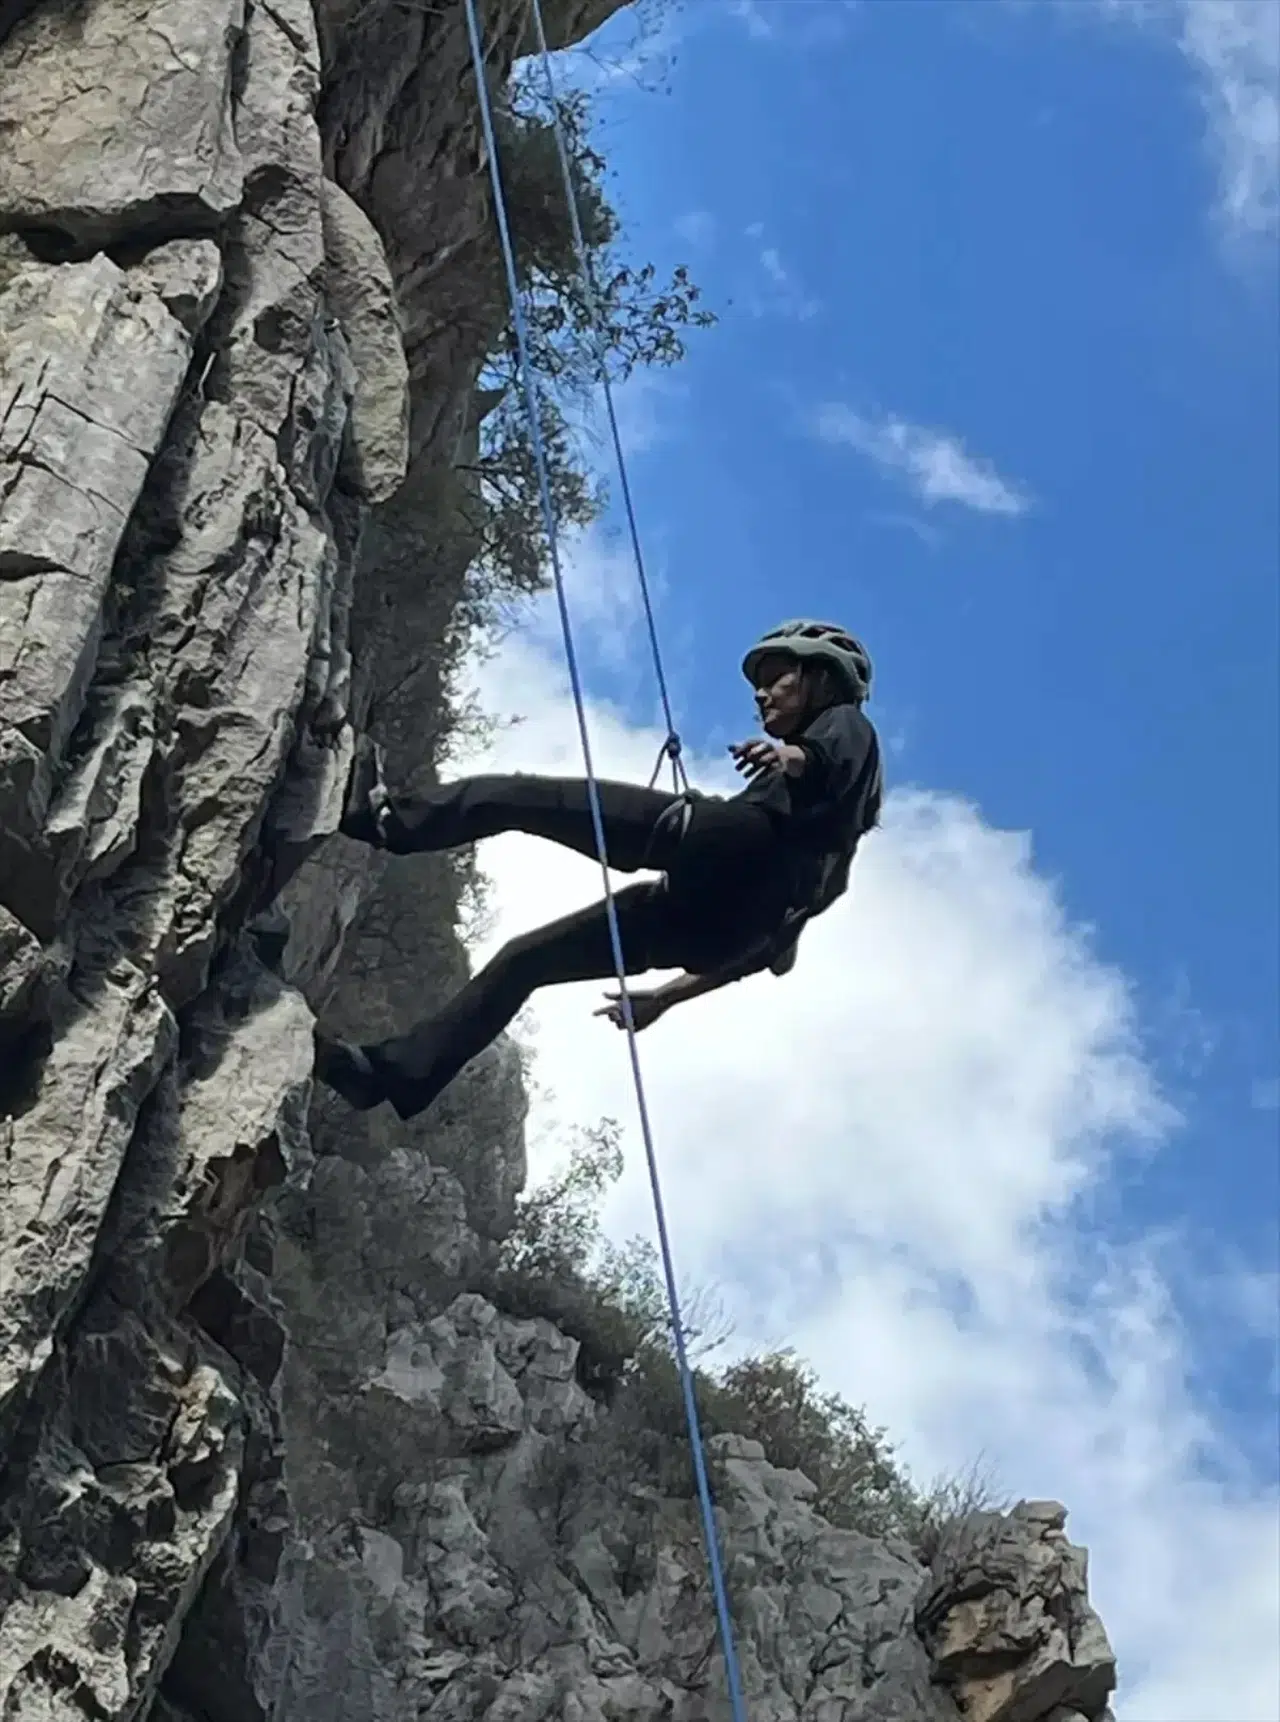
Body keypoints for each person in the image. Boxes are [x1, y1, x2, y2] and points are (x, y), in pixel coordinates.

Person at [314, 620, 883, 1119]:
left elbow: (826, 758)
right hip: (710, 929)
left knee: (520, 797)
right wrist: (663, 998)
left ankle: (387, 822)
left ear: (821, 680)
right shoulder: (827, 866)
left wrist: (788, 756)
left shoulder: (845, 726)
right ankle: (387, 1075)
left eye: (776, 676)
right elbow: (763, 954)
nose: (761, 694)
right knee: (526, 959)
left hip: (720, 847)